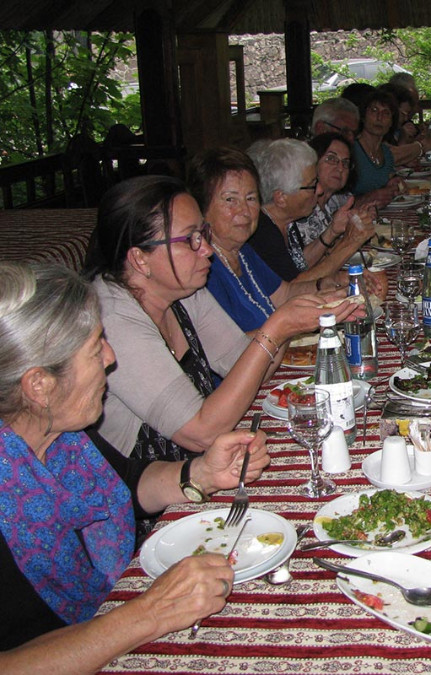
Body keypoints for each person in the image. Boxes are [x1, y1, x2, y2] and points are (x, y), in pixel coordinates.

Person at [0, 262, 270, 665]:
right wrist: (147, 614)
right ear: (40, 385)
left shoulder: (64, 437)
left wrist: (200, 473)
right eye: (95, 349)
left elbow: (127, 483)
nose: (110, 358)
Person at [83, 175, 358, 462]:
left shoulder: (183, 290)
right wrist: (279, 328)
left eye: (202, 234)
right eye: (190, 239)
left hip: (204, 467)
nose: (207, 249)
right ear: (140, 259)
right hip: (152, 494)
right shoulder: (113, 320)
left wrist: (299, 316)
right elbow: (200, 432)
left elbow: (245, 362)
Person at [188, 146, 363, 332]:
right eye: (230, 200)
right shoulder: (204, 270)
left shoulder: (243, 251)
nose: (244, 211)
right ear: (202, 207)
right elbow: (227, 350)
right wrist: (289, 326)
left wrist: (327, 285)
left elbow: (284, 294)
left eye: (250, 198)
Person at [246, 138, 376, 286]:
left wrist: (332, 231)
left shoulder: (285, 222)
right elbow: (293, 288)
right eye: (312, 186)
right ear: (281, 198)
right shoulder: (262, 236)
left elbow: (299, 267)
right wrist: (350, 242)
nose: (319, 190)